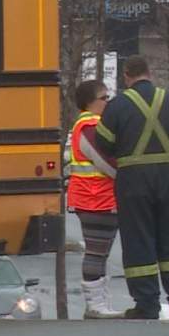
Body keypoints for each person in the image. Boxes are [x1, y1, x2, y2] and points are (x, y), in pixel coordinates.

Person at [94, 56, 169, 319]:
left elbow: (103, 143)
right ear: (149, 73)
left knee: (139, 241)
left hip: (133, 181)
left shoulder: (117, 106)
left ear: (127, 75)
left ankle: (147, 303)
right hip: (168, 179)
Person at [67, 80, 123, 318]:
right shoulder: (90, 126)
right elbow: (106, 162)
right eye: (104, 98)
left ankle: (99, 302)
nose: (108, 102)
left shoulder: (90, 124)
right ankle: (95, 304)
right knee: (96, 251)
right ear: (90, 102)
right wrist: (128, 174)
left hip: (96, 198)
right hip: (95, 198)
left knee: (100, 251)